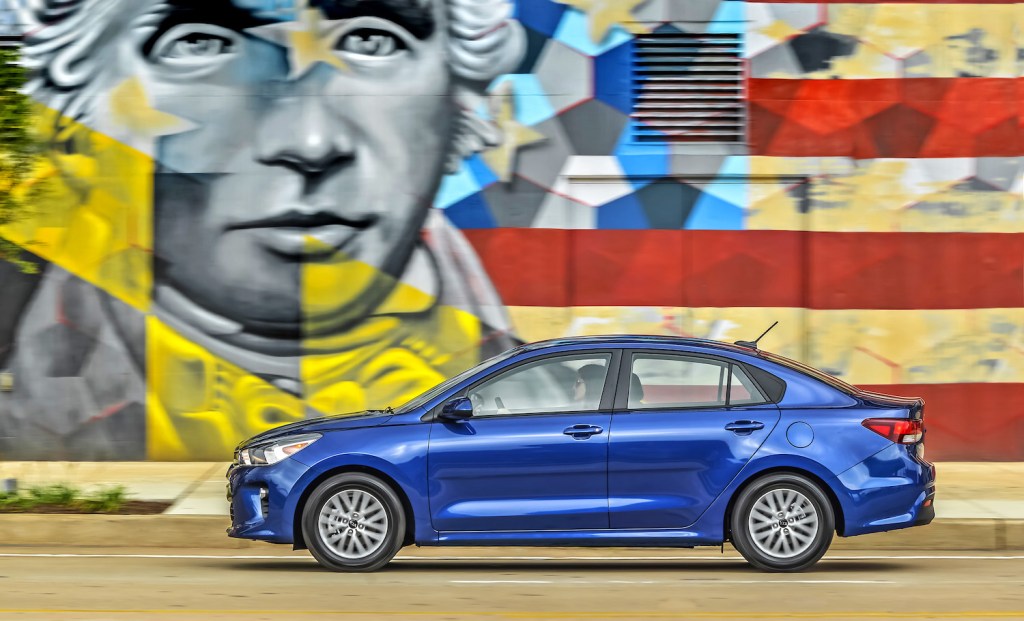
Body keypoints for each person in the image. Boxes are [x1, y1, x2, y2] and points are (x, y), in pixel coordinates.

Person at [0, 0, 524, 459]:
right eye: (200, 43)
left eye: (371, 39)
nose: (310, 142)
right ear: (72, 126)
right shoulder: (28, 398)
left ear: (460, 101)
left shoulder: (526, 388)